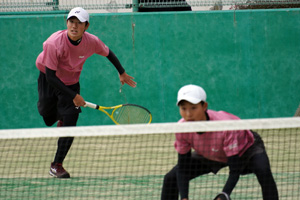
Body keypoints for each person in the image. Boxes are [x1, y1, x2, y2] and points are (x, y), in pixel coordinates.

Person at [36, 7, 137, 178]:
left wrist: (121, 71)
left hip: (71, 81)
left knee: (70, 122)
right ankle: (61, 115)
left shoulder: (92, 42)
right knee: (46, 116)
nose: (74, 26)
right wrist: (74, 96)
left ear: (86, 26)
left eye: (79, 23)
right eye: (71, 22)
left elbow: (108, 53)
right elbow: (52, 77)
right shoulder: (54, 43)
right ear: (66, 23)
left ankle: (57, 164)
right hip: (48, 78)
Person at [161, 84, 278, 200]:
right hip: (210, 151)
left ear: (204, 106)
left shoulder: (224, 126)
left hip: (245, 149)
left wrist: (224, 194)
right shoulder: (182, 128)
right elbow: (183, 168)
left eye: (193, 108)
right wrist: (184, 198)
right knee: (171, 178)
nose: (188, 114)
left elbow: (235, 169)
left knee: (264, 172)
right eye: (183, 108)